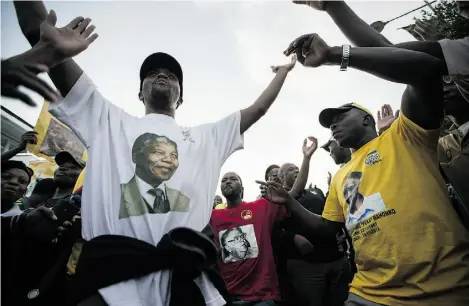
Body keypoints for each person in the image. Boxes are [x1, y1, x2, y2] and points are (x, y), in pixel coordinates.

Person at [13, 2, 297, 304]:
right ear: (140, 93)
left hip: (187, 286)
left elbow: (259, 108)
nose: (162, 76)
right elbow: (41, 35)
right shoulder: (107, 120)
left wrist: (283, 72)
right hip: (110, 286)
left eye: (172, 76)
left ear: (181, 97)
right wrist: (44, 38)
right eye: (153, 73)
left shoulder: (207, 136)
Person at [261, 27, 469, 305]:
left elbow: (427, 70)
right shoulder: (341, 176)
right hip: (368, 293)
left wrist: (337, 55)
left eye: (340, 116)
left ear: (366, 120)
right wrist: (289, 200)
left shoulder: (405, 134)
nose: (332, 125)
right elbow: (327, 228)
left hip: (444, 288)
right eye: (329, 122)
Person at [211, 172, 286, 305]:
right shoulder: (212, 216)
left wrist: (306, 159)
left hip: (262, 297)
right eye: (224, 180)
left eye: (233, 179)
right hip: (228, 298)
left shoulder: (260, 207)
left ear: (242, 189)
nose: (228, 182)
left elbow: (293, 194)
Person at [119, 133, 190, 217]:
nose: (168, 160)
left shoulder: (182, 200)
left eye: (174, 155)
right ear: (135, 157)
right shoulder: (117, 195)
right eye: (158, 152)